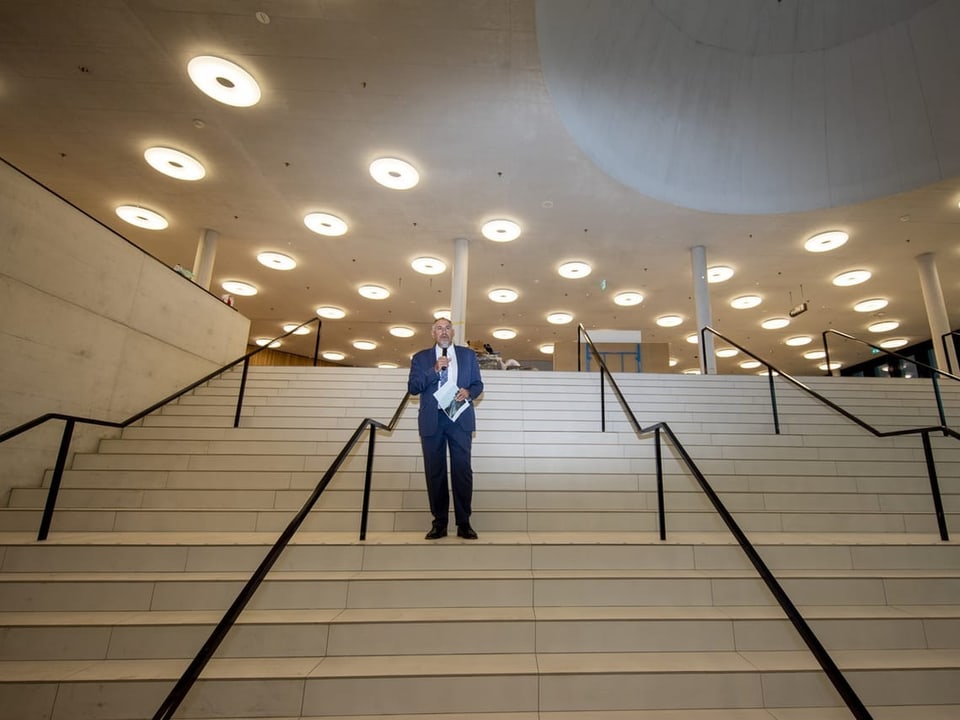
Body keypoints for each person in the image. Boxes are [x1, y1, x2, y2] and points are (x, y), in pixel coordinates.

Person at [407, 318, 484, 540]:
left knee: (462, 470)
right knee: (435, 472)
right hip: (432, 420)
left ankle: (464, 522)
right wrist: (433, 370)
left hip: (459, 418)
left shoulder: (468, 355)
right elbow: (413, 388)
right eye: (439, 328)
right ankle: (439, 523)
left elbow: (478, 384)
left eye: (447, 328)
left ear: (453, 332)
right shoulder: (420, 358)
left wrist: (468, 392)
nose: (444, 332)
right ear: (433, 333)